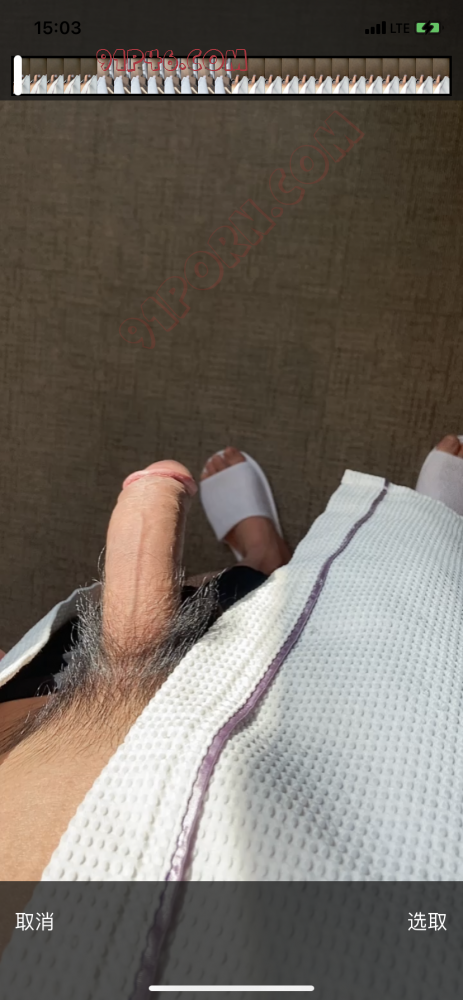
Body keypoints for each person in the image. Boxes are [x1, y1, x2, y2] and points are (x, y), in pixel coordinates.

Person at [1, 435, 463, 882]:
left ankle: (263, 560)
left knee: (211, 603)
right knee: (356, 665)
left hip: (30, 714)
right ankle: (432, 550)